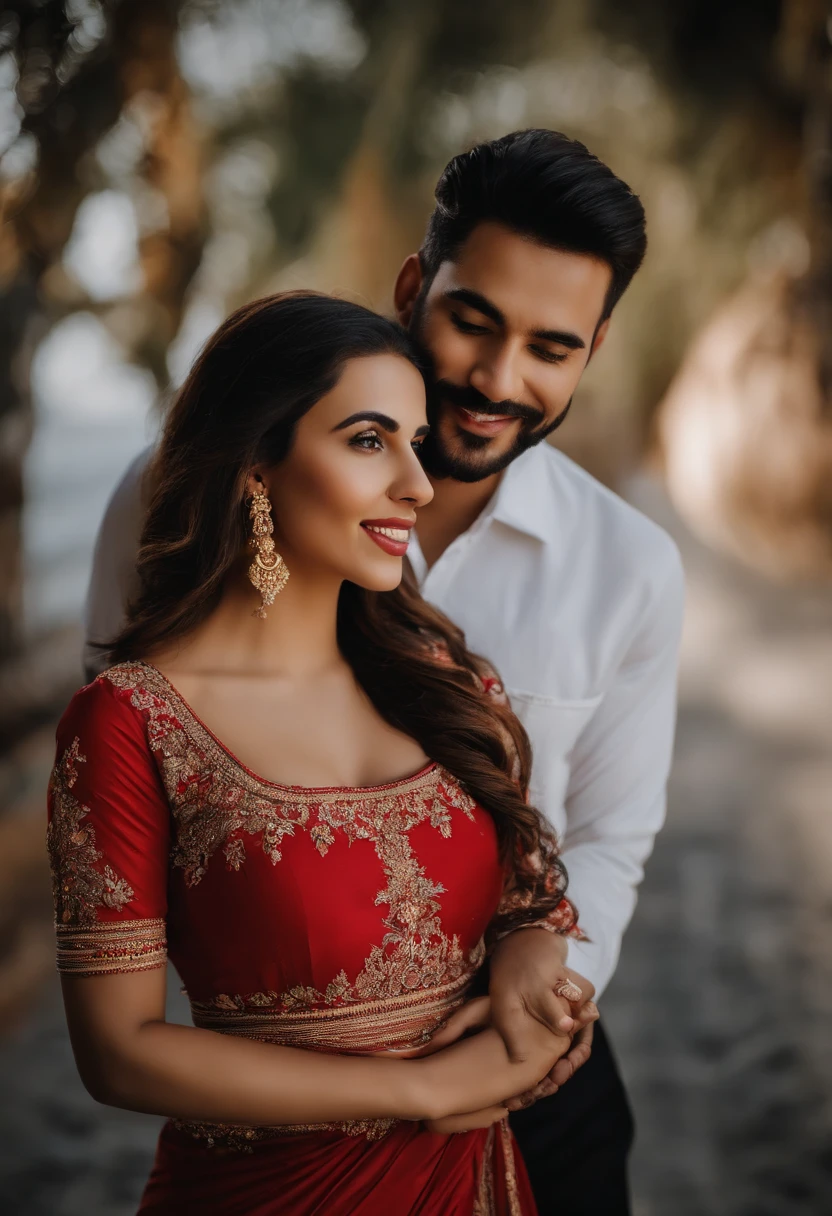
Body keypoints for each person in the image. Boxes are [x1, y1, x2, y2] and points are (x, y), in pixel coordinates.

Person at [84, 130, 685, 1215]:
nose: (500, 381)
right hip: (275, 1107)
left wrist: (545, 967)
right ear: (416, 283)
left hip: (528, 1080)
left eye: (552, 348)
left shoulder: (628, 568)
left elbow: (607, 834)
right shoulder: (177, 493)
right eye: (473, 321)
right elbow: (143, 777)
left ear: (595, 347)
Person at [49, 292, 597, 1215]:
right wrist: (419, 1091)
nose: (418, 487)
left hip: (473, 1184)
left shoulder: (448, 685)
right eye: (369, 440)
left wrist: (533, 960)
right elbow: (118, 1050)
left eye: (416, 445)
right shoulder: (131, 722)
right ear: (256, 463)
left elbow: (525, 900)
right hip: (267, 1193)